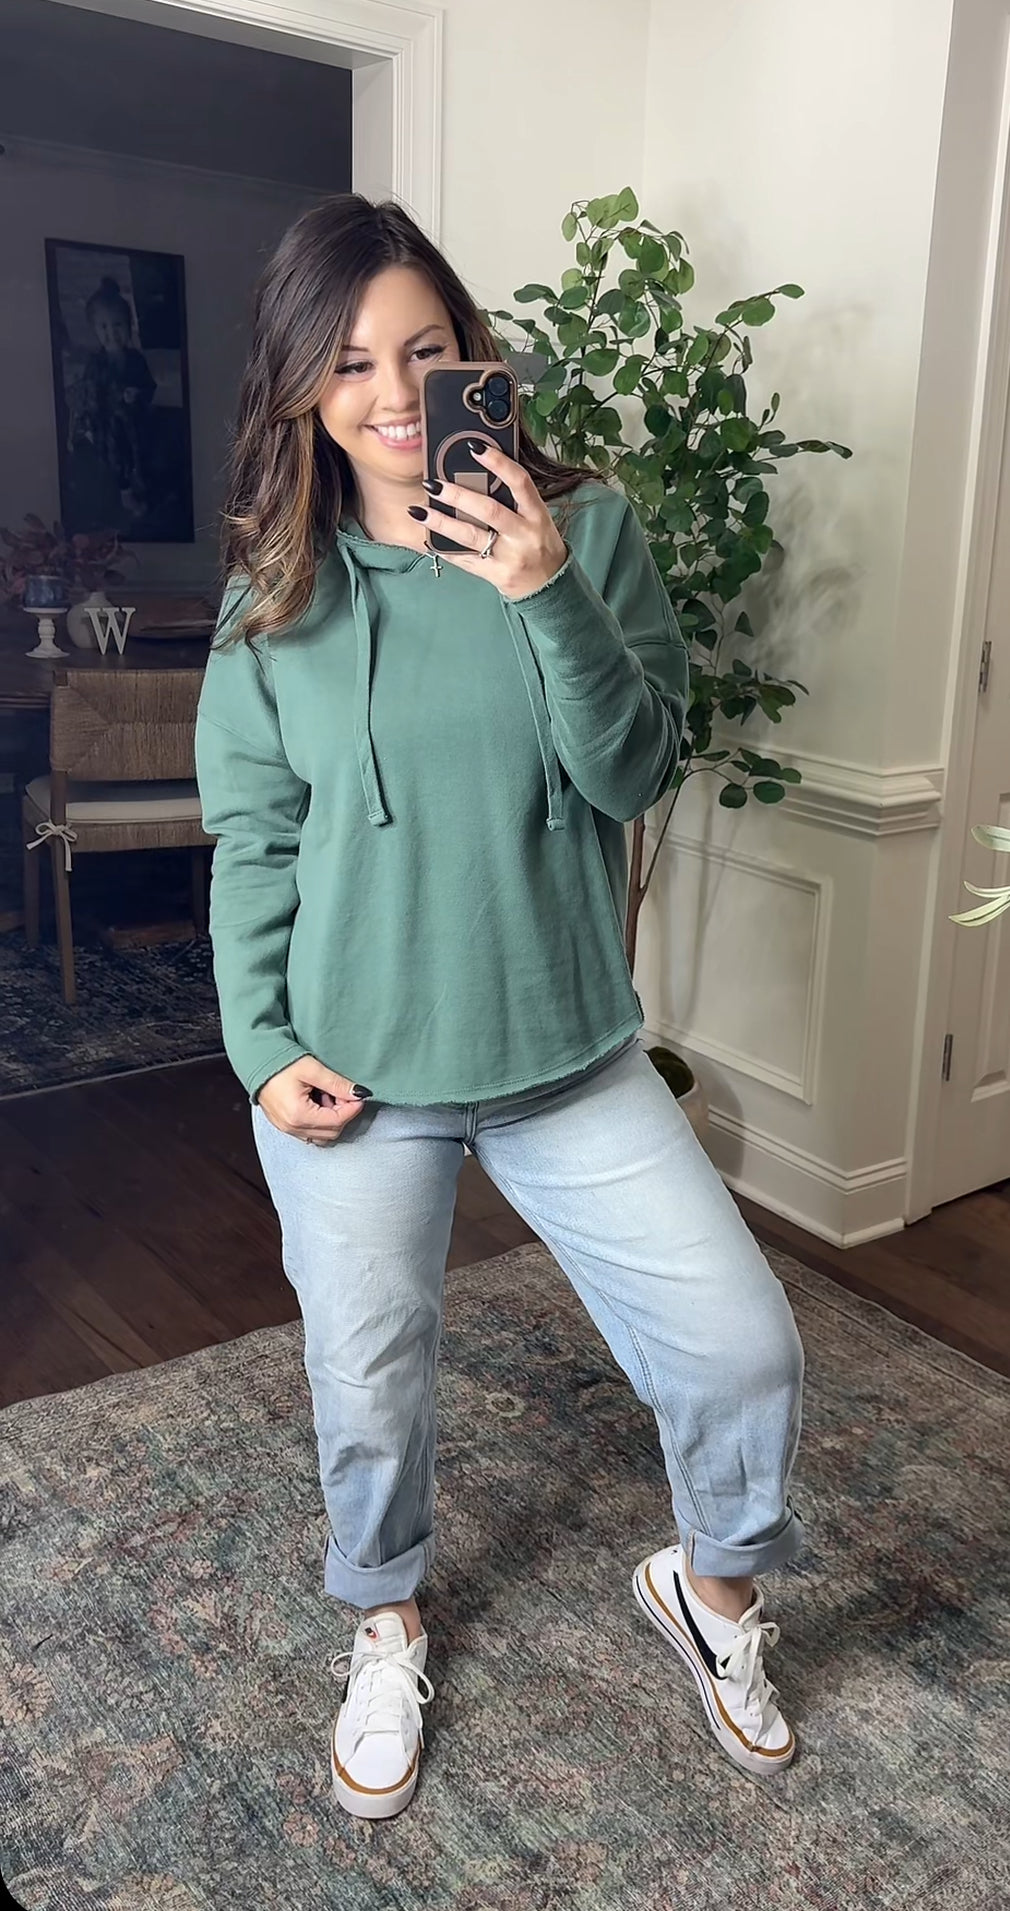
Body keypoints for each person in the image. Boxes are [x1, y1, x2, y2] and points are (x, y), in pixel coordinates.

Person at [195, 194, 807, 1822]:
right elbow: (253, 839)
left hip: (567, 1052)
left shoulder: (584, 532)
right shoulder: (275, 593)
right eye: (348, 364)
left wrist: (546, 592)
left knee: (742, 1344)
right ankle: (385, 1618)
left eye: (423, 350)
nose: (394, 393)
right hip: (355, 1069)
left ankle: (712, 1592)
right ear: (301, 392)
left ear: (473, 355)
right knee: (368, 1379)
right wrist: (261, 1046)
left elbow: (634, 769)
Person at [69, 276, 155, 520]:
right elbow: (89, 395)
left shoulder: (136, 360)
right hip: (107, 425)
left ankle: (140, 483)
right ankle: (125, 493)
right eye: (104, 327)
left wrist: (137, 394)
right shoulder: (95, 363)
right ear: (95, 330)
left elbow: (149, 386)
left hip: (134, 421)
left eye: (117, 325)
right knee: (117, 459)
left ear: (128, 326)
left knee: (141, 454)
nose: (111, 333)